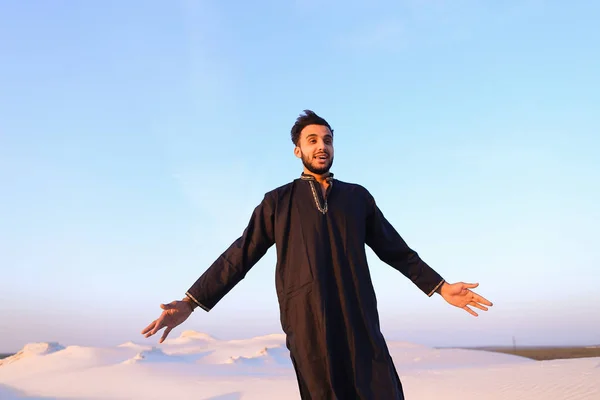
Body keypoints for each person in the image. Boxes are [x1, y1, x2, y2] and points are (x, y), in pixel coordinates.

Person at [141, 110, 493, 399]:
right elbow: (240, 254)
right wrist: (191, 301)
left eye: (327, 140)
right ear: (298, 150)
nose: (321, 146)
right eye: (312, 141)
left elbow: (396, 250)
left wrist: (441, 286)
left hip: (359, 318)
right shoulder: (277, 203)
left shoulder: (357, 198)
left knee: (382, 390)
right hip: (309, 323)